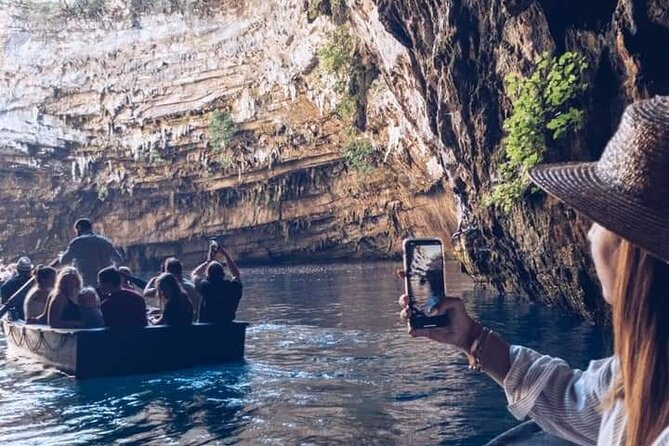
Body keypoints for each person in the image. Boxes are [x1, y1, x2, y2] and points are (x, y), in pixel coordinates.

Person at [398, 97, 669, 445]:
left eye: (601, 220)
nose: (589, 233)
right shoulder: (649, 364)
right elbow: (580, 401)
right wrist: (470, 338)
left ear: (635, 250)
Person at [59, 218, 124, 287]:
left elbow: (64, 261)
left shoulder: (77, 242)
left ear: (79, 228)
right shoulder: (105, 241)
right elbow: (119, 260)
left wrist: (61, 256)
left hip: (88, 280)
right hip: (107, 280)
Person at [191, 242, 242, 323]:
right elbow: (237, 275)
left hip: (207, 331)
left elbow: (194, 274)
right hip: (229, 331)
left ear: (207, 275)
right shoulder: (233, 287)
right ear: (223, 274)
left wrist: (208, 261)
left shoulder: (205, 287)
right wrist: (225, 255)